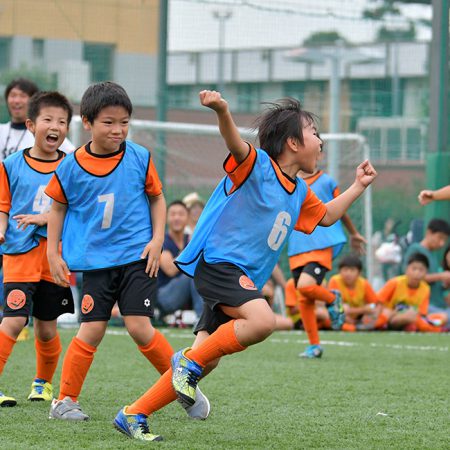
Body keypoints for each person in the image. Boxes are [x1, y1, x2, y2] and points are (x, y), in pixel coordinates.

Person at [113, 90, 377, 441]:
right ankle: (185, 364)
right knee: (263, 320)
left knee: (207, 360)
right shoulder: (257, 166)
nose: (321, 141)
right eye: (315, 133)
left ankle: (133, 413)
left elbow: (327, 216)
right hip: (220, 265)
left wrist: (359, 185)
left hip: (238, 278)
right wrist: (222, 110)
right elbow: (235, 142)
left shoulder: (298, 191)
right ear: (293, 143)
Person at [44, 82, 209, 421]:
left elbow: (157, 197)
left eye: (125, 122)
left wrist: (157, 239)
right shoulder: (70, 166)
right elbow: (57, 208)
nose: (118, 130)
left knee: (139, 327)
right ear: (87, 122)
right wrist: (52, 253)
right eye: (109, 122)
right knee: (92, 328)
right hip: (95, 262)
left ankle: (182, 387)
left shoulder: (139, 157)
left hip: (137, 256)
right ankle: (63, 400)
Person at [0, 91, 75, 407]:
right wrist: (2, 229)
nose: (55, 126)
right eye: (48, 119)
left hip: (54, 257)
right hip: (19, 254)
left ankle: (42, 384)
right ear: (31, 125)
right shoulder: (10, 165)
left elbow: (75, 209)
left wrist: (43, 217)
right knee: (14, 320)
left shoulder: (73, 167)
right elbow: (3, 206)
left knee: (46, 328)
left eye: (62, 121)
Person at [288, 149, 367, 358]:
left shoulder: (327, 182)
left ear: (320, 155)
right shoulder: (289, 183)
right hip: (297, 245)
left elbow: (341, 208)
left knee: (306, 286)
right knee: (304, 298)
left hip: (322, 242)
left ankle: (332, 298)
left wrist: (354, 233)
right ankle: (314, 345)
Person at [0, 78, 74, 161]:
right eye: (13, 95)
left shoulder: (47, 132)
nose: (17, 101)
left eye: (23, 96)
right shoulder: (2, 131)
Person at [157, 200, 204, 320]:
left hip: (185, 297)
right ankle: (201, 318)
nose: (177, 218)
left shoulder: (189, 239)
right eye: (173, 214)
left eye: (181, 214)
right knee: (193, 273)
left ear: (187, 218)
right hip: (165, 296)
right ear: (166, 218)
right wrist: (192, 247)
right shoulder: (162, 240)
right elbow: (170, 270)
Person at [377, 253, 447, 332]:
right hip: (392, 316)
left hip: (414, 317)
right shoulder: (395, 283)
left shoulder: (425, 288)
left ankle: (413, 326)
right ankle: (435, 329)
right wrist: (392, 313)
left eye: (421, 270)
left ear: (426, 273)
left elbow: (422, 313)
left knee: (443, 317)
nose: (416, 273)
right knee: (409, 317)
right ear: (406, 270)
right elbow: (378, 303)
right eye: (414, 269)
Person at [402, 219, 450, 322]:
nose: (442, 243)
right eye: (440, 238)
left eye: (445, 240)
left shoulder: (433, 255)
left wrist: (444, 283)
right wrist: (441, 276)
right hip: (423, 305)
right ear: (429, 233)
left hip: (439, 305)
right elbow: (413, 278)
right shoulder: (416, 250)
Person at [328, 254, 381, 330]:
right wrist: (363, 309)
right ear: (339, 271)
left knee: (381, 315)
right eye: (345, 270)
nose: (348, 273)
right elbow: (336, 308)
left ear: (359, 273)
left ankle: (360, 326)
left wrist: (370, 312)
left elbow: (374, 305)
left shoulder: (364, 283)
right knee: (328, 314)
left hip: (359, 317)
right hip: (342, 316)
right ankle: (352, 327)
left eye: (352, 270)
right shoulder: (334, 281)